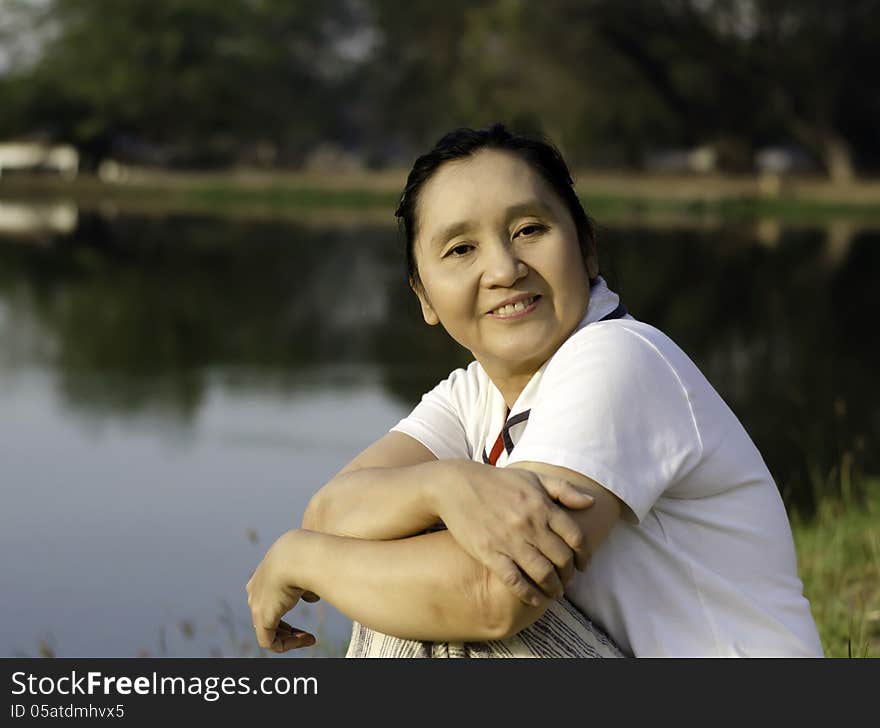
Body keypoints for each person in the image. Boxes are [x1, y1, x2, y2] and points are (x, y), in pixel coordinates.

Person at [246, 123, 823, 657]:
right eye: (460, 249)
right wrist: (441, 486)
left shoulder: (620, 358)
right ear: (423, 296)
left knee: (436, 598)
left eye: (529, 230)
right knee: (394, 562)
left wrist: (298, 558)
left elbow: (494, 600)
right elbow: (330, 513)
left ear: (587, 247)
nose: (503, 268)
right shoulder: (474, 395)